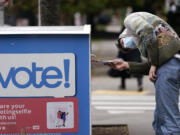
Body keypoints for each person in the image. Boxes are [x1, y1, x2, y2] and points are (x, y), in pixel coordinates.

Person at [108, 12, 180, 135]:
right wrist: (127, 65)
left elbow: (146, 30)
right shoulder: (153, 41)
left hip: (168, 68)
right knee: (159, 120)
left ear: (124, 33)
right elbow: (155, 65)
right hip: (171, 65)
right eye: (127, 48)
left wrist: (153, 64)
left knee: (168, 122)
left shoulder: (129, 20)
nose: (127, 45)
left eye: (122, 42)